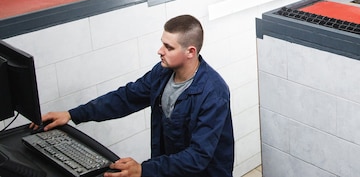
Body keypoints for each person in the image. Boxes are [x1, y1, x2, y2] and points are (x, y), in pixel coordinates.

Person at [38, 14, 234, 177]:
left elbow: (197, 157)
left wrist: (143, 169)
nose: (160, 51)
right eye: (162, 44)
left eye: (169, 47)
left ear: (190, 52)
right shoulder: (162, 74)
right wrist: (72, 114)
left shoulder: (213, 93)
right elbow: (125, 98)